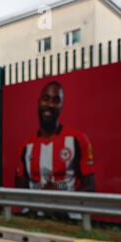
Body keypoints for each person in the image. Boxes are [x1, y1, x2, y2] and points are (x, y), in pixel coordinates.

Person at [15, 81, 95, 218]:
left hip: (69, 218)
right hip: (35, 217)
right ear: (39, 102)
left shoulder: (77, 139)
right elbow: (20, 188)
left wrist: (60, 199)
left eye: (56, 100)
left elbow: (89, 186)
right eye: (46, 99)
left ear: (61, 105)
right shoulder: (27, 146)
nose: (50, 105)